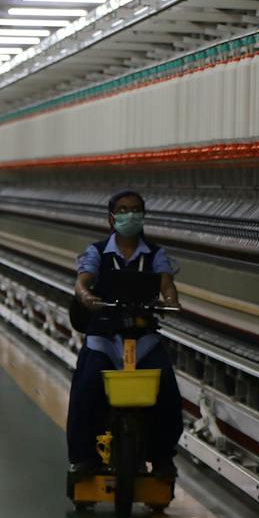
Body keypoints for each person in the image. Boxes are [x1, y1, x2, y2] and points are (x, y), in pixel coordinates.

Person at [66, 189, 184, 479]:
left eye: (135, 209)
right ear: (111, 218)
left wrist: (170, 301)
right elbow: (83, 280)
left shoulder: (156, 255)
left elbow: (166, 284)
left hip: (141, 336)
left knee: (166, 387)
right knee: (87, 387)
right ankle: (83, 458)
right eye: (122, 210)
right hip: (104, 337)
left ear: (143, 216)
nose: (129, 215)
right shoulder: (97, 252)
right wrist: (85, 296)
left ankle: (162, 457)